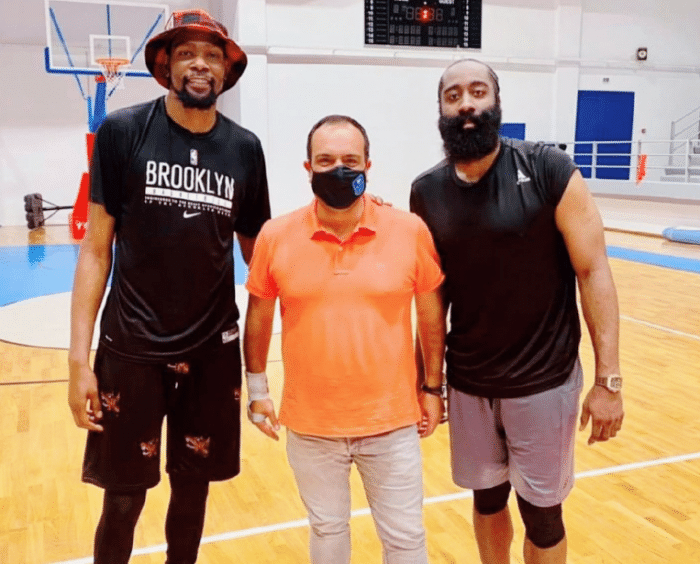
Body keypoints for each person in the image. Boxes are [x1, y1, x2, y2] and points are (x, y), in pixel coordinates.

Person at [67, 9, 271, 564]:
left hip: (211, 352)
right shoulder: (123, 132)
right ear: (165, 66)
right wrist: (79, 361)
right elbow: (96, 250)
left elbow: (261, 254)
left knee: (192, 491)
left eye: (211, 55)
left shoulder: (245, 148)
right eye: (186, 54)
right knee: (123, 498)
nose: (199, 64)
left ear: (227, 70)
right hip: (131, 348)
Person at [410, 59, 625, 564]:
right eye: (453, 96)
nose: (466, 104)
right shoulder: (427, 191)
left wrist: (608, 381)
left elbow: (594, 272)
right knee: (486, 500)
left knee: (542, 514)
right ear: (440, 109)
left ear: (496, 102)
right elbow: (432, 298)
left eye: (477, 92)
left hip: (543, 382)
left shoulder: (550, 170)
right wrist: (431, 385)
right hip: (470, 384)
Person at [243, 115, 446, 564]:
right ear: (308, 168)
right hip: (311, 425)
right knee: (327, 530)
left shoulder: (409, 230)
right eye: (326, 160)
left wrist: (433, 388)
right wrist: (257, 390)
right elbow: (258, 316)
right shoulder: (275, 236)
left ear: (368, 165)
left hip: (392, 422)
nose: (339, 169)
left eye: (350, 161)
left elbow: (431, 315)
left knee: (406, 538)